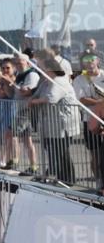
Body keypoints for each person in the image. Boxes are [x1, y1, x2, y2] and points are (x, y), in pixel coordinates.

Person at [28, 57, 81, 185]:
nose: (40, 70)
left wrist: (34, 102)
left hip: (63, 124)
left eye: (43, 68)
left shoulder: (59, 81)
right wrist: (32, 99)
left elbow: (51, 98)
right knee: (54, 151)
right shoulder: (46, 82)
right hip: (51, 125)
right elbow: (36, 95)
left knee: (61, 151)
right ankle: (59, 177)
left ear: (51, 69)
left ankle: (68, 180)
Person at [73, 55, 104, 190]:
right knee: (95, 153)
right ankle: (98, 181)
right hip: (90, 120)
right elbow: (82, 99)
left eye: (92, 60)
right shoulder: (79, 79)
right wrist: (100, 102)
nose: (89, 63)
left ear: (97, 61)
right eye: (86, 61)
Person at [12, 54, 40, 175]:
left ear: (27, 63)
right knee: (27, 140)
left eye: (21, 62)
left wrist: (11, 82)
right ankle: (33, 166)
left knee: (11, 133)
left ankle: (13, 161)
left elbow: (27, 92)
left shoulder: (32, 75)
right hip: (20, 109)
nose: (18, 65)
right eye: (16, 63)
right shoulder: (19, 75)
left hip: (27, 110)